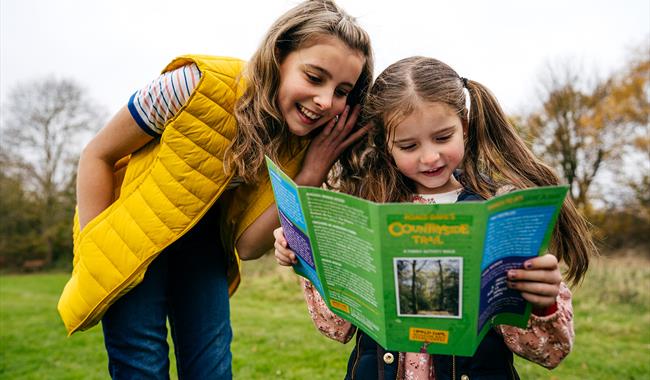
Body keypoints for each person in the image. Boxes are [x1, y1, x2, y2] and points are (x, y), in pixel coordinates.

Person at [56, 1, 374, 378]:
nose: (325, 101)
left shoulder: (300, 143)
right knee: (140, 365)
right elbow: (97, 154)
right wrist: (99, 249)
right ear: (278, 56)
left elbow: (248, 246)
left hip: (205, 248)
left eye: (342, 91)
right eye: (314, 77)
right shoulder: (194, 84)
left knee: (212, 369)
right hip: (132, 240)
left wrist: (310, 173)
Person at [274, 56, 596, 379]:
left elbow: (550, 349)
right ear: (387, 147)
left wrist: (541, 301)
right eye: (408, 145)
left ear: (464, 127)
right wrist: (307, 255)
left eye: (443, 137)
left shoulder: (498, 213)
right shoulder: (366, 211)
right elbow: (335, 326)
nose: (430, 157)